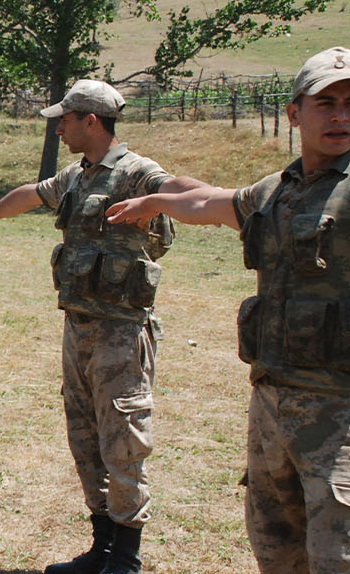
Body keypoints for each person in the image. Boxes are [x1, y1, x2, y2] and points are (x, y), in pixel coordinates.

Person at [105, 47, 350, 574]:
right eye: (326, 102)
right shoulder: (275, 192)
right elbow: (212, 204)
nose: (341, 115)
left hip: (343, 415)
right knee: (277, 548)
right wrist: (156, 202)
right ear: (294, 113)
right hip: (273, 407)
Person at [0, 80, 207, 574]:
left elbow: (181, 190)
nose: (60, 127)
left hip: (122, 333)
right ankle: (103, 548)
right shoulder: (76, 175)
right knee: (85, 435)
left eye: (65, 119)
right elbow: (32, 193)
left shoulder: (137, 173)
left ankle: (126, 560)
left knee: (123, 440)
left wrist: (230, 202)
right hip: (79, 327)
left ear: (91, 120)